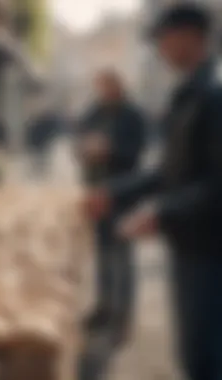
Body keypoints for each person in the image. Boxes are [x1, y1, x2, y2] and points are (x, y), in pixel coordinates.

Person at [85, 4, 222, 379]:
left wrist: (162, 214)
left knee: (206, 356)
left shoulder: (213, 95)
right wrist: (114, 192)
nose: (160, 51)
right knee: (194, 353)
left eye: (163, 40)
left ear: (189, 38)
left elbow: (217, 184)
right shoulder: (190, 93)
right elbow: (169, 171)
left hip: (210, 250)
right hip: (189, 244)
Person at [78, 70, 145, 344]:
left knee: (123, 257)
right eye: (100, 85)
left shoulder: (133, 115)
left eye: (108, 85)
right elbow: (80, 140)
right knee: (103, 253)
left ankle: (123, 316)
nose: (103, 90)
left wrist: (109, 151)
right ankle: (104, 307)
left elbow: (135, 153)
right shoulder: (93, 113)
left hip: (123, 194)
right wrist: (83, 150)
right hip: (97, 193)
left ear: (119, 85)